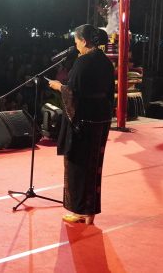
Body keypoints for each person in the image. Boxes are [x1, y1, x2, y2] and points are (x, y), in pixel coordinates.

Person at [47, 24, 114, 226]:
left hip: (83, 122)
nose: (75, 46)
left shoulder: (83, 61)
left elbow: (72, 92)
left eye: (76, 42)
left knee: (78, 167)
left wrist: (59, 87)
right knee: (94, 167)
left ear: (84, 41)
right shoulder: (106, 62)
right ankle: (89, 213)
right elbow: (110, 92)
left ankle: (79, 210)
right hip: (100, 120)